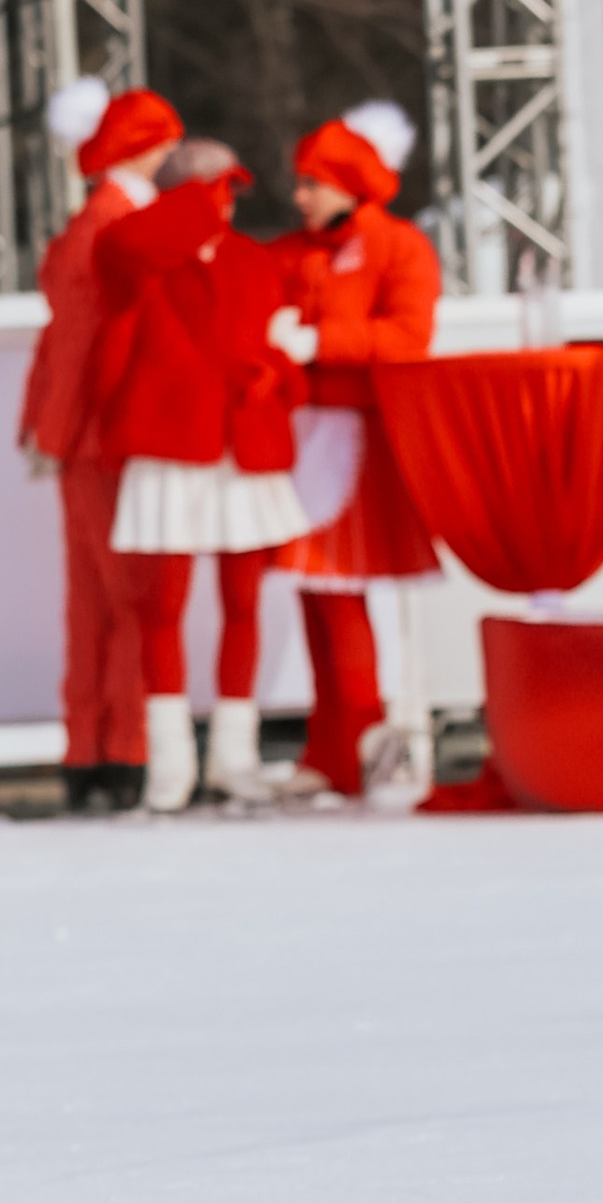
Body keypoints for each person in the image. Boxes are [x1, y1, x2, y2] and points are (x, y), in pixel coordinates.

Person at [96, 139, 311, 812]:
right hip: (171, 450)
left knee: (244, 604)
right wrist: (185, 210)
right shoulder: (142, 259)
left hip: (241, 447)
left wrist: (274, 375)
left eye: (226, 189)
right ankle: (171, 762)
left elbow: (278, 344)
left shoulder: (255, 262)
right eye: (211, 189)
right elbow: (125, 255)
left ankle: (234, 755)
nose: (224, 201)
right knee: (162, 609)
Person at [269, 103, 443, 797]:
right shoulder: (301, 251)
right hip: (307, 433)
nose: (300, 197)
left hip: (355, 437)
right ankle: (333, 749)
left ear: (348, 183)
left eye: (312, 183)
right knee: (316, 594)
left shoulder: (399, 247)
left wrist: (319, 344)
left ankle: (364, 739)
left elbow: (407, 338)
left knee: (338, 593)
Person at [21, 81, 182, 812]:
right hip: (113, 435)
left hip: (85, 437)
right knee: (130, 599)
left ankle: (92, 749)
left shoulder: (92, 223)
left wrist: (46, 430)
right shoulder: (121, 226)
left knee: (95, 598)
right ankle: (125, 750)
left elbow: (61, 343)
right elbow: (81, 342)